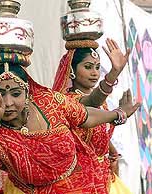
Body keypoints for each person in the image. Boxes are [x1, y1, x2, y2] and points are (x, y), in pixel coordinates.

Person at [0, 61, 140, 194]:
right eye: (0, 95)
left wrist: (118, 114)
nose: (8, 103)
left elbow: (85, 115)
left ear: (28, 92)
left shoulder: (50, 103)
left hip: (85, 186)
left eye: (16, 94)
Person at [52, 38, 132, 192]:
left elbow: (95, 131)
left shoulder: (102, 103)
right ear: (71, 70)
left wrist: (111, 150)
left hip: (102, 176)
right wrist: (114, 73)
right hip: (78, 181)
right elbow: (91, 102)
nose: (95, 73)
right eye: (88, 67)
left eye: (97, 67)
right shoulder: (68, 100)